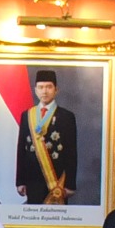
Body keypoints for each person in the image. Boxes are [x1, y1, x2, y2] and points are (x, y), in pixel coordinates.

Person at [12, 68, 78, 206]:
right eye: (41, 87)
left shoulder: (66, 117)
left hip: (57, 182)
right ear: (35, 90)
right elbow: (21, 150)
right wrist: (20, 181)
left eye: (49, 87)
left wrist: (70, 184)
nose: (44, 91)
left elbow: (71, 152)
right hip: (32, 180)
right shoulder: (27, 115)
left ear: (56, 90)